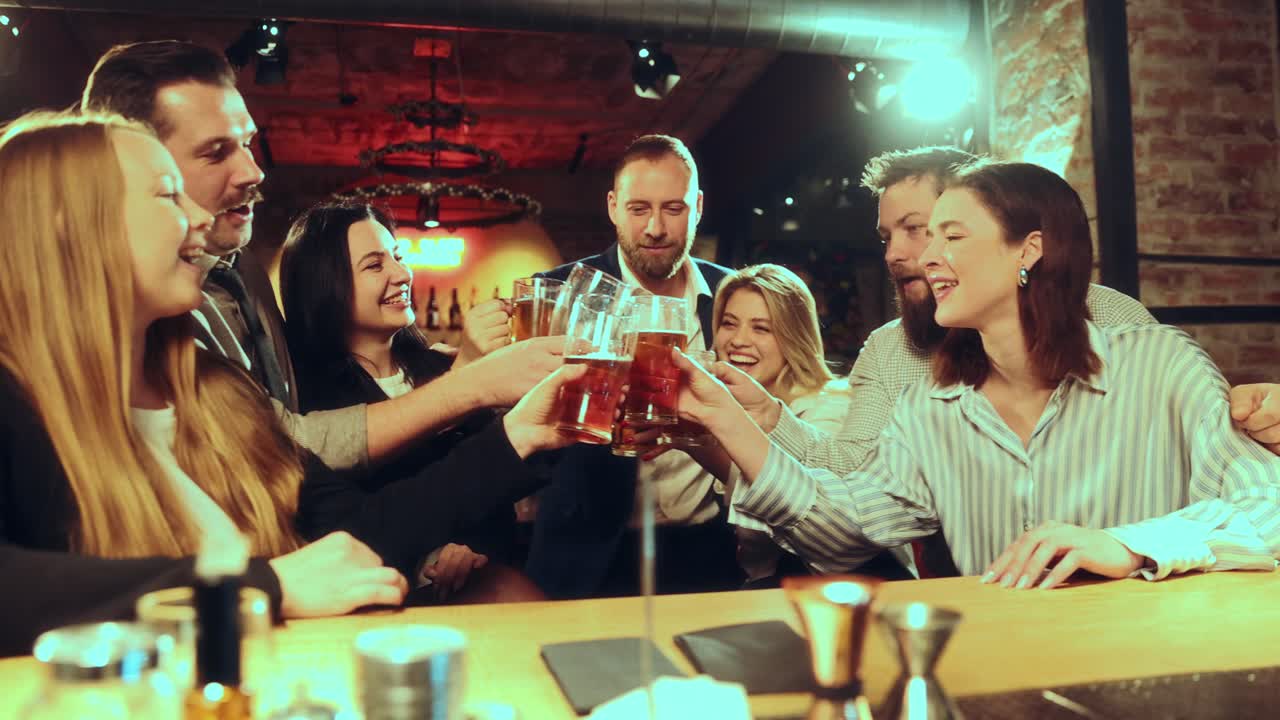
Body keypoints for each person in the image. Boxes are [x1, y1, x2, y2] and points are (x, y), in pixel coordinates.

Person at [0, 112, 583, 655]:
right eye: (165, 194)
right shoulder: (15, 399)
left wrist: (517, 434)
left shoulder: (216, 390)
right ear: (68, 225)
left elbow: (355, 532)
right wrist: (261, 587)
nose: (200, 216)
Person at [675, 160, 1280, 586]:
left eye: (951, 236)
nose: (923, 257)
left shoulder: (1161, 364)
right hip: (1001, 670)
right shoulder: (930, 410)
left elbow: (1268, 506)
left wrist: (1129, 544)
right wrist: (731, 422)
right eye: (920, 236)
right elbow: (845, 530)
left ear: (1029, 251)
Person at [80, 39, 560, 472]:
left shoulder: (241, 268)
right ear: (134, 162)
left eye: (247, 143)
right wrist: (472, 383)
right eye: (215, 152)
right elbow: (281, 444)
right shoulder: (118, 305)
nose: (253, 171)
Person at [279, 201, 539, 602]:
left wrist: (472, 548)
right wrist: (430, 560)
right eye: (374, 265)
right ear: (324, 282)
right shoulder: (311, 400)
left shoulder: (442, 364)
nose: (401, 274)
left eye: (398, 257)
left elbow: (497, 487)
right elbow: (346, 519)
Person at [526, 134, 740, 598]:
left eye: (674, 209)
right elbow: (516, 425)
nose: (656, 228)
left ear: (698, 206)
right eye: (639, 209)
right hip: (587, 559)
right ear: (612, 206)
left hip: (709, 551)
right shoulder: (559, 292)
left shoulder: (734, 295)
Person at [686, 264, 900, 584]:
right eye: (729, 324)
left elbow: (816, 521)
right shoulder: (730, 405)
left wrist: (696, 445)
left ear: (793, 337)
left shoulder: (829, 406)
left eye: (762, 328)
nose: (739, 340)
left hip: (830, 593)